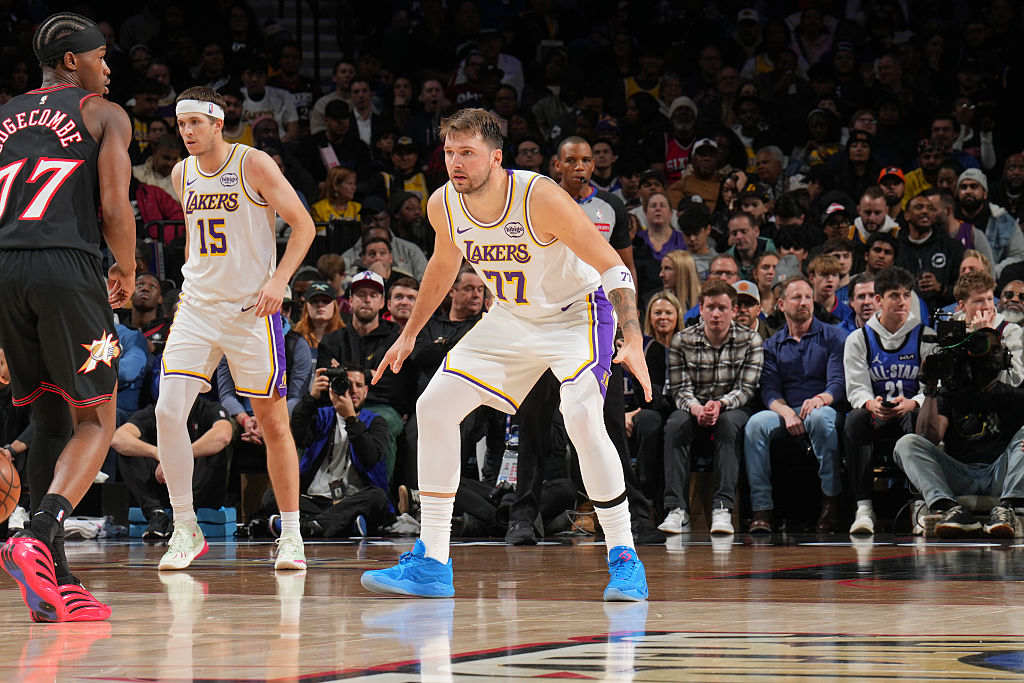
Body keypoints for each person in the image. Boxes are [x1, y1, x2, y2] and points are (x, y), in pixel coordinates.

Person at [360, 108, 652, 601]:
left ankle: (624, 556)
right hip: (512, 318)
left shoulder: (540, 197)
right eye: (450, 152)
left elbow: (613, 267)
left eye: (467, 153)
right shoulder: (443, 203)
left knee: (580, 416)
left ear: (496, 157)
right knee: (433, 408)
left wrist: (634, 339)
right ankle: (433, 560)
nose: (455, 162)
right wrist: (410, 333)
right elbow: (443, 264)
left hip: (576, 313)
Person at [0, 12, 136, 623]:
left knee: (51, 412)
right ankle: (41, 530)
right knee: (99, 420)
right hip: (67, 267)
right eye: (100, 56)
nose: (108, 67)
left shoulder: (3, 115)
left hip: (6, 267)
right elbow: (113, 204)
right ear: (72, 61)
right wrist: (127, 269)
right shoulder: (103, 114)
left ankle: (56, 574)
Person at [155, 86, 315, 572]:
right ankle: (186, 526)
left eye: (195, 124)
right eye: (181, 125)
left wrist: (279, 280)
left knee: (272, 423)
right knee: (167, 410)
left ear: (218, 123)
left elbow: (303, 226)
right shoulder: (182, 173)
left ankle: (291, 534)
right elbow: (198, 245)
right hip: (199, 308)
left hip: (252, 312)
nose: (186, 133)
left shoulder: (254, 164)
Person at [893, 318, 1024, 538]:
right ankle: (949, 508)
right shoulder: (948, 395)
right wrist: (931, 389)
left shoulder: (1016, 397)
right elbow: (928, 438)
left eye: (996, 350)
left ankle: (1008, 508)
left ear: (1006, 358)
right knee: (906, 443)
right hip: (959, 473)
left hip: (998, 474)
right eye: (985, 350)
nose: (991, 356)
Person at [743, 276, 847, 534]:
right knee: (756, 424)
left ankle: (830, 503)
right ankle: (761, 510)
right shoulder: (772, 345)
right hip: (788, 410)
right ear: (781, 304)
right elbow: (769, 390)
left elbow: (838, 382)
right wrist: (787, 412)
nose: (804, 303)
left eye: (808, 297)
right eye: (796, 298)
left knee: (818, 419)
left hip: (824, 407)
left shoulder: (834, 336)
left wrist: (820, 399)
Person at [660, 279, 763, 536]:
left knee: (729, 425)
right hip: (693, 408)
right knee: (674, 424)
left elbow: (747, 389)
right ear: (701, 309)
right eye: (711, 307)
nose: (716, 314)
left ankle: (722, 509)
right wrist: (696, 409)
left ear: (734, 309)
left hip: (731, 408)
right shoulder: (681, 340)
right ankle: (676, 510)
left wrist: (720, 404)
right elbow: (679, 388)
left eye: (723, 308)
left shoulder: (751, 340)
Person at [842, 267, 934, 535]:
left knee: (922, 415)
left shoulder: (925, 335)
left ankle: (920, 505)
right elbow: (856, 389)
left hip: (910, 411)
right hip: (876, 413)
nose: (902, 301)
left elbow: (932, 386)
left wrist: (914, 402)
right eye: (895, 295)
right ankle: (864, 508)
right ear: (879, 301)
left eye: (906, 295)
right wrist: (872, 405)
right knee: (854, 420)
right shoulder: (859, 339)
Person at [273, 364, 391, 537]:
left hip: (353, 499)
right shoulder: (323, 415)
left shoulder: (376, 422)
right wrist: (311, 397)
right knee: (273, 494)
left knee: (377, 497)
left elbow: (370, 457)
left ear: (366, 391)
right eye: (348, 384)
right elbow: (299, 437)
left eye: (359, 386)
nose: (353, 391)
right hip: (316, 499)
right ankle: (341, 523)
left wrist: (351, 419)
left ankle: (309, 525)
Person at [112, 397, 233, 539]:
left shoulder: (208, 409)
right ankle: (156, 513)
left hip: (200, 490)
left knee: (216, 448)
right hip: (164, 485)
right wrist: (159, 454)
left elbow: (223, 435)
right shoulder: (157, 411)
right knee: (128, 450)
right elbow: (118, 438)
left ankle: (184, 515)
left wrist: (177, 458)